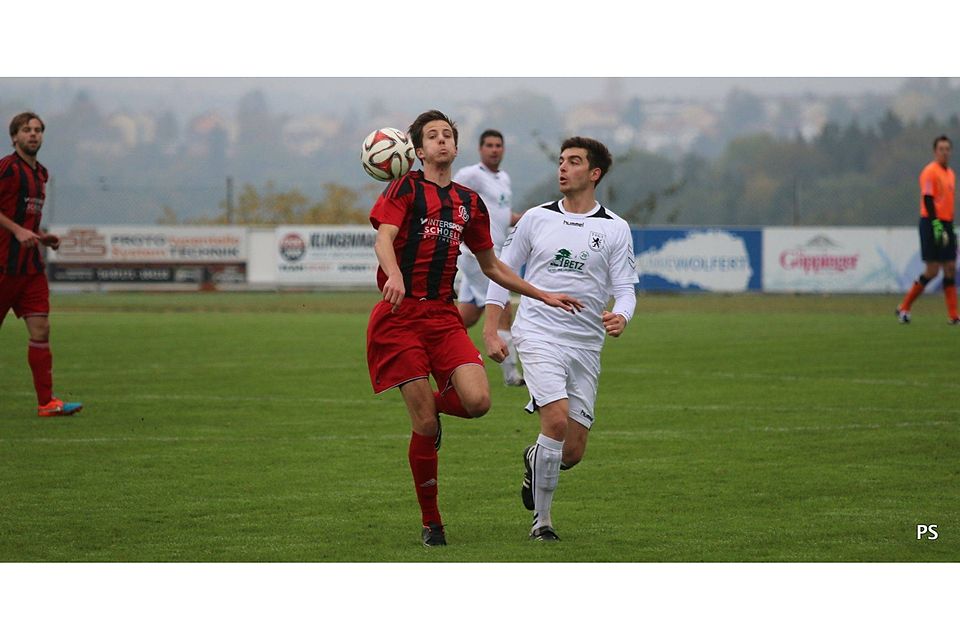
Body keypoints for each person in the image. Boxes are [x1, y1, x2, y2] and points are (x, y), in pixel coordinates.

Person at [366, 110, 582, 547]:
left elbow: (492, 267)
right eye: (433, 136)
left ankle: (434, 411)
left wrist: (542, 294)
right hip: (400, 318)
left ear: (455, 146)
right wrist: (393, 274)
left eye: (448, 135)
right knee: (423, 424)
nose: (442, 141)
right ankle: (432, 524)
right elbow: (383, 238)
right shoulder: (405, 187)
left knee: (480, 401)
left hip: (443, 318)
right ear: (419, 150)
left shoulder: (468, 202)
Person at [484, 136, 638, 542]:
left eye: (573, 161)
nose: (563, 168)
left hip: (586, 345)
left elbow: (625, 288)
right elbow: (501, 274)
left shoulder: (615, 228)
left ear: (594, 173)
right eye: (561, 161)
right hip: (538, 333)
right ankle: (543, 524)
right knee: (553, 419)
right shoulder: (535, 218)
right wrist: (491, 328)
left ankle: (535, 459)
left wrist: (621, 314)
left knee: (571, 451)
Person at [0, 112, 83, 417]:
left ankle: (47, 403)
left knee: (41, 329)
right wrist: (17, 230)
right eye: (26, 130)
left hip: (30, 269)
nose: (33, 134)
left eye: (37, 130)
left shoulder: (40, 174)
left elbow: (23, 217)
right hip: (2, 267)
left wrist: (40, 236)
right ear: (14, 137)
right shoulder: (7, 169)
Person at [453, 130, 525, 386]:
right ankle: (511, 375)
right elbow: (452, 201)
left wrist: (528, 218)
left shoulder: (503, 178)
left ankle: (425, 343)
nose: (494, 149)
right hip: (477, 255)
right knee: (502, 305)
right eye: (489, 145)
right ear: (481, 149)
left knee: (468, 316)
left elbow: (501, 215)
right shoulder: (471, 175)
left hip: (494, 251)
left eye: (498, 145)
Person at [896, 135, 958, 324]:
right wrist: (936, 225)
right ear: (935, 151)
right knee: (932, 270)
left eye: (947, 149)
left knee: (950, 268)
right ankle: (904, 307)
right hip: (931, 222)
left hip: (946, 223)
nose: (945, 152)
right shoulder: (930, 172)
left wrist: (948, 226)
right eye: (941, 149)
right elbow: (928, 199)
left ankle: (954, 316)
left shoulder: (951, 174)